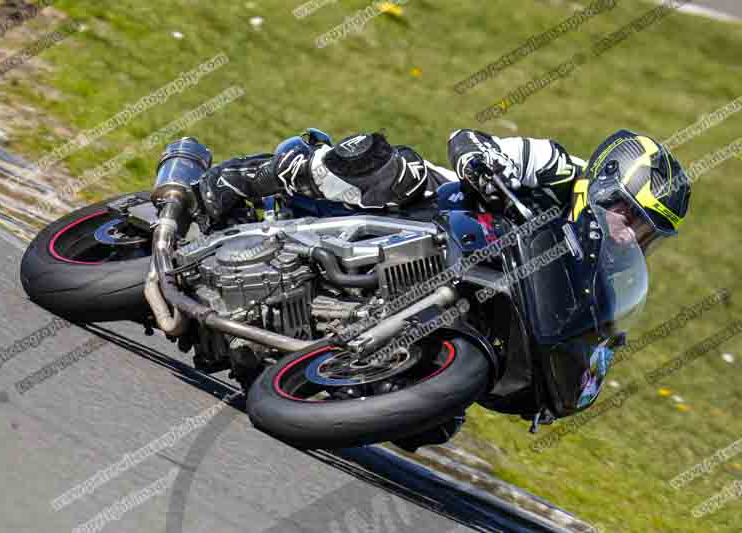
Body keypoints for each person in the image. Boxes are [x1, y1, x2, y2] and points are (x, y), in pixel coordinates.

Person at [199, 127, 691, 450]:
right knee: (391, 169)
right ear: (605, 183)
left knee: (437, 424)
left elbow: (587, 319)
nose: (630, 235)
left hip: (477, 290)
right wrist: (481, 162)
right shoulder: (562, 167)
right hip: (441, 217)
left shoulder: (607, 263)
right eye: (628, 215)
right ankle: (249, 177)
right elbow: (470, 139)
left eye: (646, 231)